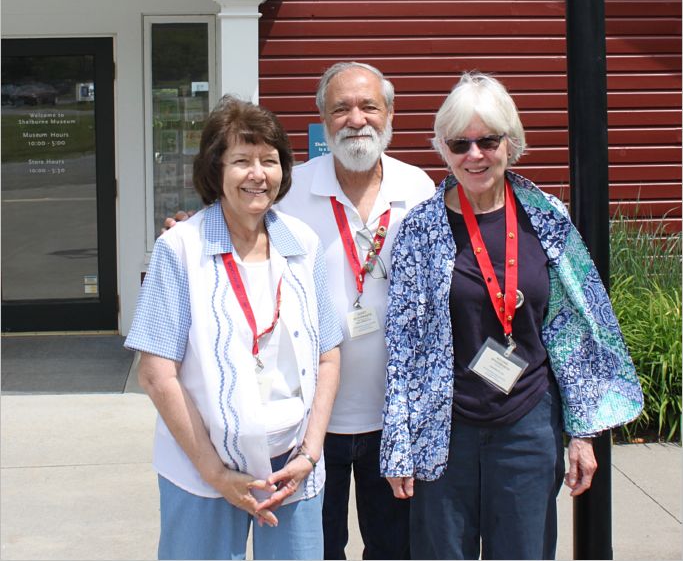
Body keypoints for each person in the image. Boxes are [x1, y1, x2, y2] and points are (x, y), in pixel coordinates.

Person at [165, 62, 435, 559]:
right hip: (311, 426)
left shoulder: (419, 190)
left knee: (396, 549)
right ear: (322, 119)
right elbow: (233, 216)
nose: (356, 119)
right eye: (341, 109)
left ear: (390, 113)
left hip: (392, 419)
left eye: (369, 106)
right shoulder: (288, 189)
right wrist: (187, 225)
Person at [380, 72, 643, 561]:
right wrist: (399, 443)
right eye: (460, 143)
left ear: (511, 142)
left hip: (528, 427)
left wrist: (582, 435)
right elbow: (404, 347)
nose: (474, 155)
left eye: (488, 140)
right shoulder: (421, 228)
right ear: (443, 148)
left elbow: (574, 330)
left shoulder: (545, 217)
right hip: (445, 432)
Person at [125, 96, 342, 561]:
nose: (258, 174)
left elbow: (328, 354)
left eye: (269, 160)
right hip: (202, 470)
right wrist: (215, 473)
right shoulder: (180, 248)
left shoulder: (302, 244)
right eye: (242, 161)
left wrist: (310, 453)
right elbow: (156, 373)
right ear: (215, 170)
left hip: (292, 470)